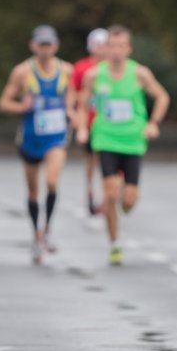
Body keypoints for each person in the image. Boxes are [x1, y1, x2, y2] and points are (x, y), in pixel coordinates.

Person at [76, 25, 169, 266]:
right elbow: (83, 102)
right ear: (105, 49)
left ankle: (124, 203)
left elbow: (162, 97)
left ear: (128, 49)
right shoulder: (94, 75)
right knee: (109, 194)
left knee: (128, 200)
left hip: (133, 142)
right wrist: (82, 128)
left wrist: (153, 123)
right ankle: (114, 243)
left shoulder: (140, 73)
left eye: (121, 46)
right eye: (111, 45)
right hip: (105, 139)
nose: (116, 51)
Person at [0, 25, 76, 264]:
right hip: (31, 137)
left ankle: (48, 229)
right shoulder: (22, 72)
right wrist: (21, 107)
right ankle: (35, 235)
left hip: (56, 136)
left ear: (56, 45)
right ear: (33, 46)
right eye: (41, 45)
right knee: (33, 190)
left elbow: (74, 98)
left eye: (49, 44)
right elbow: (3, 102)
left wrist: (72, 111)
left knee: (52, 181)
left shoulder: (67, 71)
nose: (45, 49)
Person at [71, 28, 109, 215]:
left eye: (104, 45)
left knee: (108, 160)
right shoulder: (81, 68)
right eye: (97, 45)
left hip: (109, 123)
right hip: (89, 121)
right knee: (91, 161)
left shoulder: (115, 68)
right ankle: (90, 192)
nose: (101, 50)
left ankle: (107, 196)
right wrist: (76, 116)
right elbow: (73, 93)